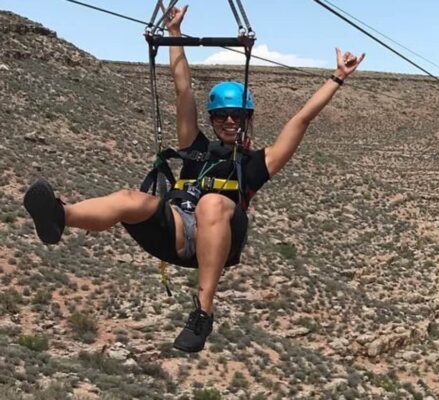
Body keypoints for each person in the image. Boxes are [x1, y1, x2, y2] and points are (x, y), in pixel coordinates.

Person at [22, 4, 365, 352]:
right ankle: (59, 216)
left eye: (237, 116)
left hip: (221, 237)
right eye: (221, 117)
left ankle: (203, 311)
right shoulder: (195, 148)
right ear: (213, 119)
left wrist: (337, 77)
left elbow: (301, 120)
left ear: (247, 119)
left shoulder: (257, 163)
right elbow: (182, 88)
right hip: (176, 231)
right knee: (130, 198)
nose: (229, 122)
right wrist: (174, 33)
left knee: (213, 202)